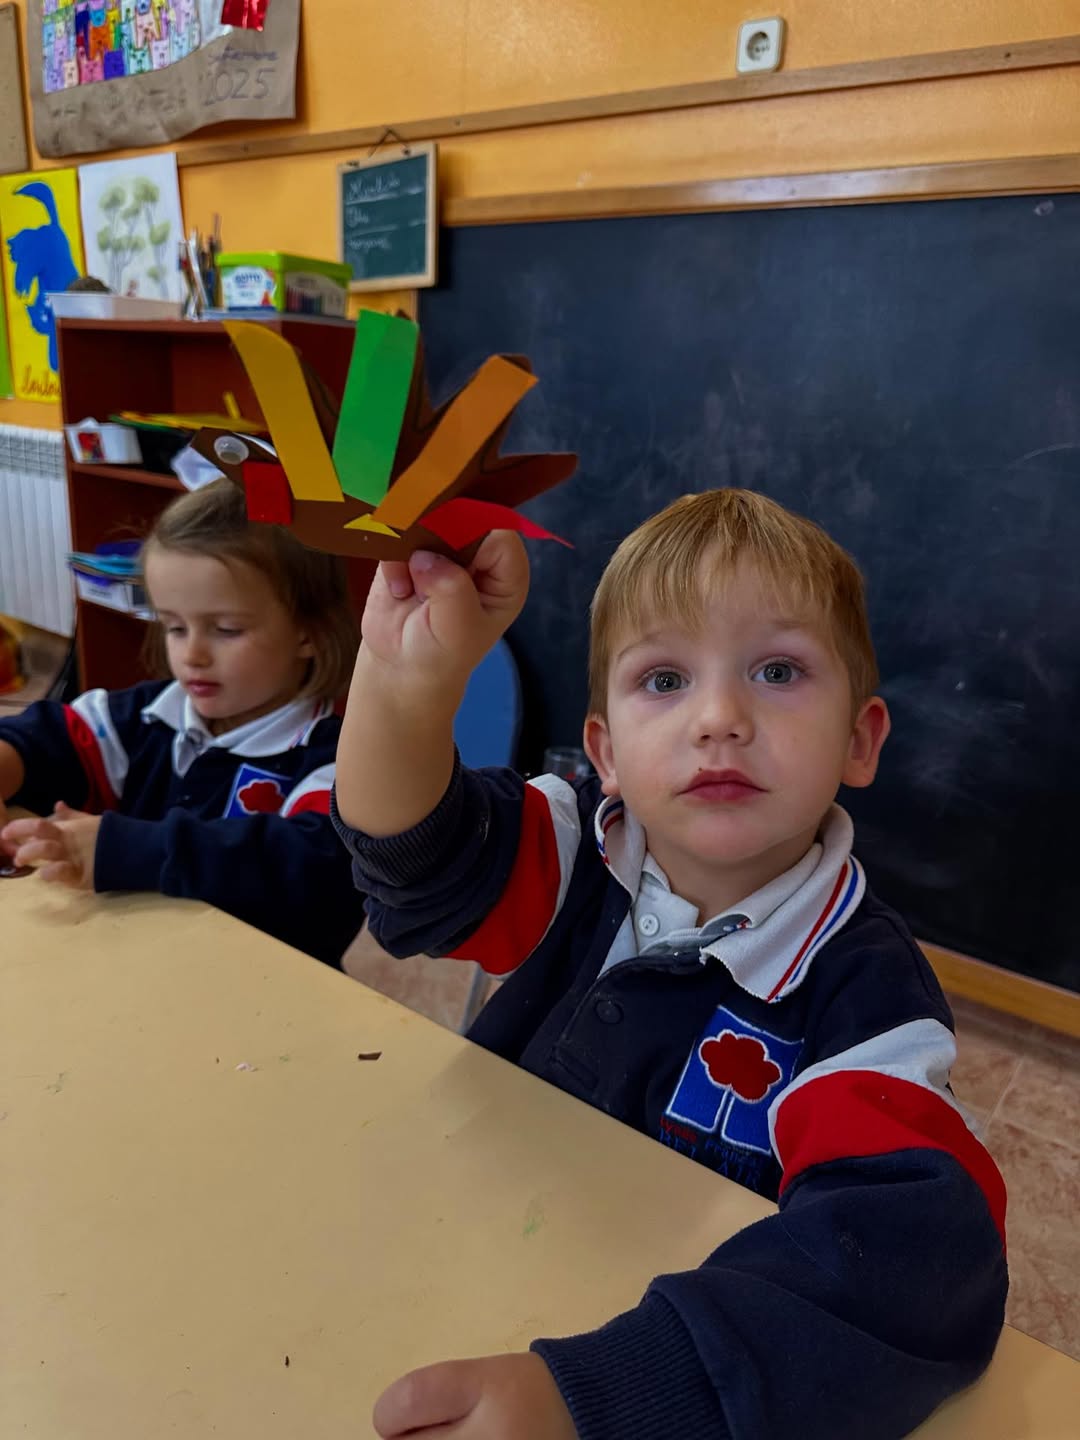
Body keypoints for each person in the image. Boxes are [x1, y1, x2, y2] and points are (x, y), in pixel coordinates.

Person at [333, 488, 1008, 1440]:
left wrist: (601, 1399)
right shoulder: (572, 846)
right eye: (663, 680)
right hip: (465, 1266)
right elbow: (412, 864)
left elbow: (919, 1263)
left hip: (665, 1370)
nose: (719, 718)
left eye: (778, 670)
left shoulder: (867, 996)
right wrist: (401, 683)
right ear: (604, 751)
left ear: (859, 740)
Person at [0, 479, 362, 967]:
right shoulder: (147, 716)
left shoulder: (339, 763)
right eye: (174, 626)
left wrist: (125, 849)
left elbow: (310, 867)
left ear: (309, 632)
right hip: (141, 966)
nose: (192, 654)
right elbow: (50, 737)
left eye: (226, 629)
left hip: (263, 987)